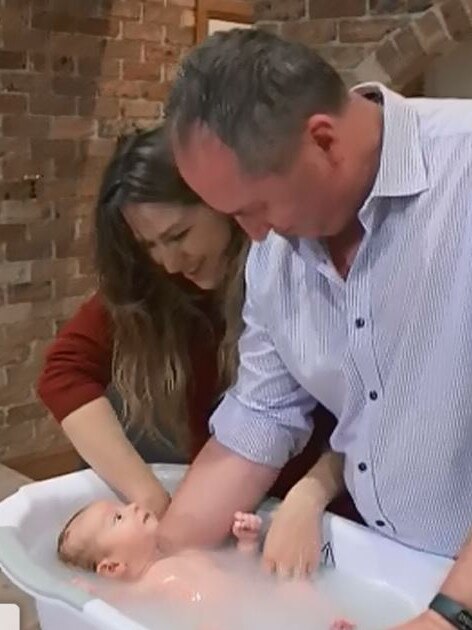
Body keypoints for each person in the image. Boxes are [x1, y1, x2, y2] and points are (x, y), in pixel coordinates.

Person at [157, 28, 472, 630]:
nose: (251, 236)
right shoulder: (278, 255)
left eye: (256, 207)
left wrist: (451, 613)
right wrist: (159, 564)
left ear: (322, 141)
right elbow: (260, 416)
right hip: (394, 566)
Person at [37, 125, 358, 539]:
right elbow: (64, 372)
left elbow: (363, 410)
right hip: (224, 501)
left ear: (223, 202)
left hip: (329, 512)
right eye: (150, 246)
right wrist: (148, 496)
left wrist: (310, 495)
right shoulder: (154, 286)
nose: (170, 262)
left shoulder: (293, 270)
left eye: (178, 236)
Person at [58, 500, 355, 630]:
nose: (133, 506)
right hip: (221, 620)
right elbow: (121, 602)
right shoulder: (149, 583)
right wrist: (92, 593)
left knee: (295, 586)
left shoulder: (188, 554)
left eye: (122, 507)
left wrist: (246, 543)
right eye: (118, 518)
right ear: (112, 567)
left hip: (255, 603)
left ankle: (330, 622)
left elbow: (241, 569)